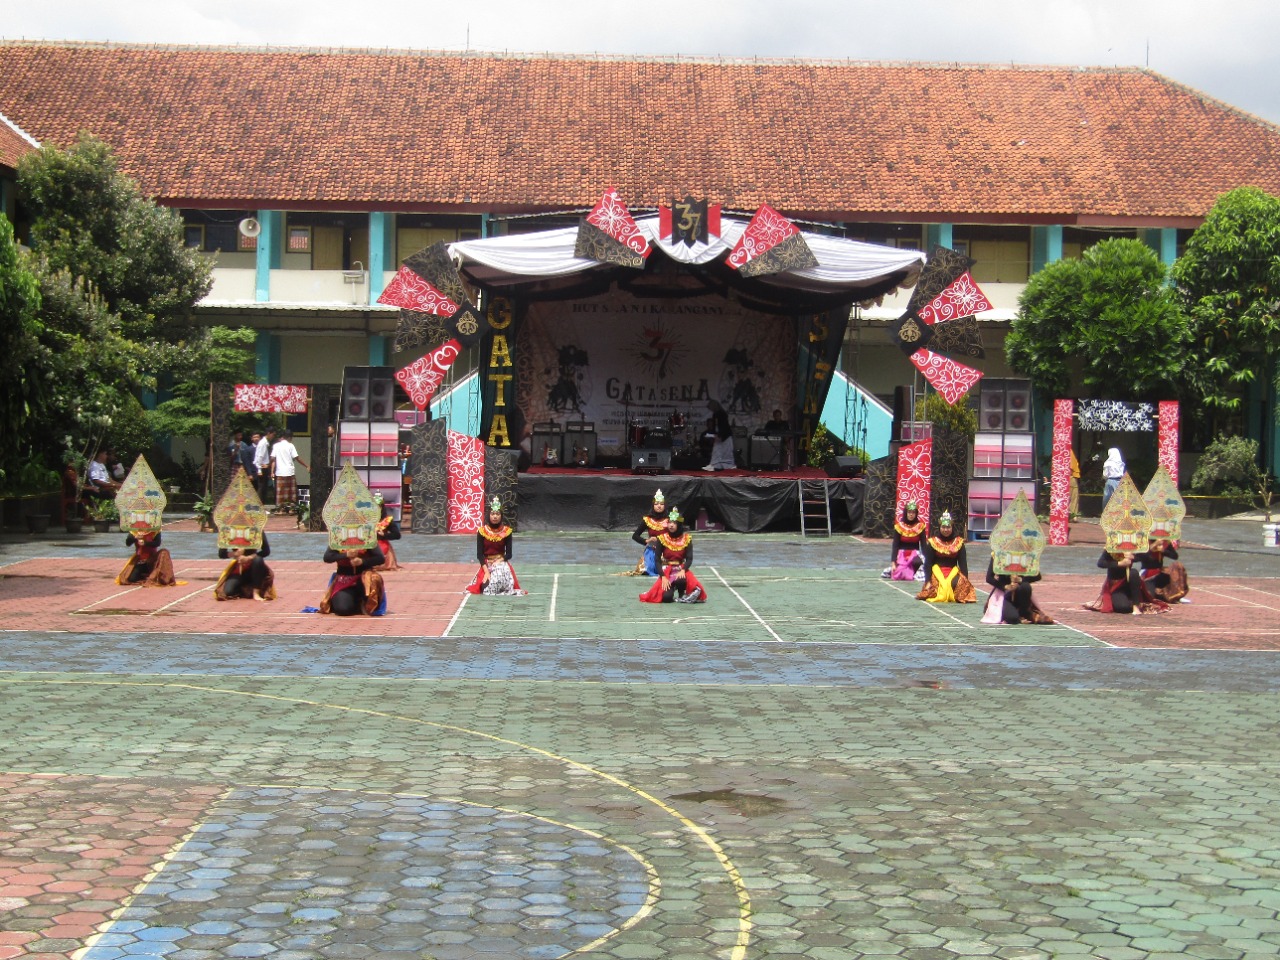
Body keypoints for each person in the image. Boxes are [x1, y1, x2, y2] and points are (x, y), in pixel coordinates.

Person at [639, 508, 707, 603]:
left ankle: (681, 593)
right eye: (670, 522)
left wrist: (683, 570)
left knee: (681, 580)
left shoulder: (686, 538)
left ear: (679, 525)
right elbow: (657, 559)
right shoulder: (662, 538)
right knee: (666, 598)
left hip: (680, 569)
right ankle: (672, 588)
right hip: (667, 571)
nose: (671, 525)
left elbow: (689, 558)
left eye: (674, 523)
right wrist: (663, 576)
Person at [466, 497, 526, 596]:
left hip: (501, 563)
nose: (495, 516)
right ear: (489, 515)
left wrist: (499, 561)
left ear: (501, 516)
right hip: (487, 564)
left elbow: (509, 554)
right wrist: (486, 572)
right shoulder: (482, 531)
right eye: (492, 514)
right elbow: (479, 555)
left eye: (497, 514)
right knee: (486, 589)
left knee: (499, 584)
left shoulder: (507, 531)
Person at [1084, 550, 1169, 615]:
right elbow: (1101, 563)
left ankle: (1136, 606)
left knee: (1133, 572)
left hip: (1131, 584)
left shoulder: (1132, 547)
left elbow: (1148, 557)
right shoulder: (1111, 548)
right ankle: (1129, 602)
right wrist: (1120, 563)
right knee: (1123, 608)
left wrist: (1134, 557)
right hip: (1116, 586)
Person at [915, 512, 976, 603]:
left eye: (948, 527)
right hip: (936, 572)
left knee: (958, 586)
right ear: (939, 528)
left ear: (952, 527)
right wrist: (928, 581)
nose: (946, 530)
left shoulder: (959, 542)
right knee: (934, 589)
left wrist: (965, 581)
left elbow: (963, 564)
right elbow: (928, 564)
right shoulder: (933, 542)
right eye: (943, 527)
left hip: (953, 571)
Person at [320, 542, 387, 615]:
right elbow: (327, 557)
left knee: (373, 605)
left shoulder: (368, 537)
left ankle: (363, 600)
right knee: (342, 610)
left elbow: (380, 558)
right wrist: (346, 555)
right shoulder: (338, 539)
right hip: (344, 580)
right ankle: (356, 603)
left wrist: (362, 561)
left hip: (364, 579)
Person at [981, 558, 1053, 624]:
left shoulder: (1027, 554)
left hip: (1021, 593)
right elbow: (989, 578)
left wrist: (1021, 580)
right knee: (1013, 619)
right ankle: (1016, 615)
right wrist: (1005, 587)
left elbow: (1037, 576)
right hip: (1004, 594)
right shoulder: (998, 554)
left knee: (1025, 586)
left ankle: (1024, 612)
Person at [215, 534, 275, 602]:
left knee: (258, 560)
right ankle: (245, 590)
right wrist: (235, 553)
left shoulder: (257, 529)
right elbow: (221, 554)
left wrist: (249, 558)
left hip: (255, 566)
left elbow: (266, 551)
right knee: (229, 592)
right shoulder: (229, 530)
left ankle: (256, 592)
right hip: (239, 567)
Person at [884, 500, 926, 580]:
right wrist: (893, 562)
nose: (911, 514)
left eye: (913, 512)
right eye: (909, 512)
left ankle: (911, 572)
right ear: (906, 513)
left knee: (918, 562)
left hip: (915, 554)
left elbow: (924, 546)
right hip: (901, 554)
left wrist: (927, 560)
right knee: (899, 570)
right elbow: (895, 545)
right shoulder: (899, 526)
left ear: (916, 514)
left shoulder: (920, 526)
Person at [631, 488, 669, 576]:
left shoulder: (670, 520)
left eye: (661, 504)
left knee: (668, 571)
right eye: (656, 504)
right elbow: (635, 536)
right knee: (645, 570)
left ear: (665, 506)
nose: (659, 506)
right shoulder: (647, 520)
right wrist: (647, 541)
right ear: (653, 506)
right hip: (651, 552)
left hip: (666, 551)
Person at [1139, 538, 1190, 603]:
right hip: (1147, 573)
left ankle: (1176, 595)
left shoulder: (1165, 542)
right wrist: (1153, 547)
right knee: (1149, 597)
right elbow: (1138, 557)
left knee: (1177, 567)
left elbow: (1175, 556)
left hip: (1159, 571)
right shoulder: (1144, 541)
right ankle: (1157, 595)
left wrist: (1163, 551)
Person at [271, 430, 307, 510]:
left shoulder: (276, 446)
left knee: (280, 492)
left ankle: (280, 509)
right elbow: (297, 458)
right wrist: (306, 466)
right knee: (291, 492)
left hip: (280, 472)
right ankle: (291, 509)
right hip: (290, 472)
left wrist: (272, 471)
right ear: (290, 437)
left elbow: (273, 459)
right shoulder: (291, 446)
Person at [703, 400, 735, 472]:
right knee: (716, 450)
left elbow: (724, 425)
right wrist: (715, 434)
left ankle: (729, 465)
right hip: (719, 435)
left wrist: (720, 435)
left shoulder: (722, 414)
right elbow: (715, 426)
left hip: (725, 435)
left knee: (727, 451)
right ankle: (714, 465)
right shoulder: (715, 414)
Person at [375, 494, 403, 571]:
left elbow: (397, 535)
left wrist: (384, 535)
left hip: (383, 547)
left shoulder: (387, 520)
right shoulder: (366, 520)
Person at [254, 428, 277, 503]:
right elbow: (259, 457)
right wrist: (259, 470)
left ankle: (262, 504)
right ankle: (260, 504)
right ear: (269, 433)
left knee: (264, 488)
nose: (273, 436)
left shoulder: (265, 443)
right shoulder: (263, 443)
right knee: (261, 488)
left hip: (264, 466)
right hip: (262, 467)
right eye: (273, 434)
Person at [1069, 449, 1081, 517]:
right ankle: (1073, 515)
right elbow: (1072, 467)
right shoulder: (1069, 454)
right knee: (1074, 498)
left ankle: (1071, 515)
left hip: (1068, 478)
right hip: (1071, 478)